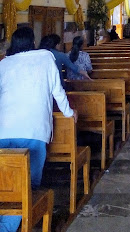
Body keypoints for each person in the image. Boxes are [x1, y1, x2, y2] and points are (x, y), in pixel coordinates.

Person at [0, 27, 77, 232]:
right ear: (32, 43)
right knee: (28, 187)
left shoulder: (4, 63)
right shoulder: (45, 59)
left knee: (5, 184)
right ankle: (6, 228)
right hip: (33, 130)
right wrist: (70, 114)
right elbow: (57, 92)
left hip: (4, 130)